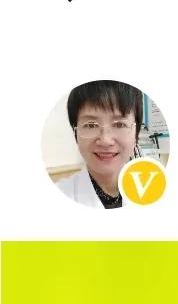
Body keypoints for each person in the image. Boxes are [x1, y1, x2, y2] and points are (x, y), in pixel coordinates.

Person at [59, 80, 144, 209]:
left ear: (136, 133)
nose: (105, 140)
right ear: (75, 133)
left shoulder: (155, 189)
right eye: (91, 125)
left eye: (119, 124)